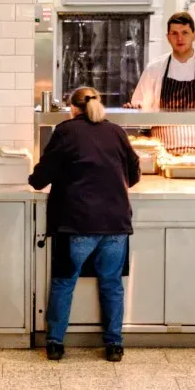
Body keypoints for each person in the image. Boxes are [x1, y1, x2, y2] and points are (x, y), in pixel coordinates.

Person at [30, 86, 141, 363]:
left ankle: (55, 344)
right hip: (115, 221)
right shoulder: (116, 131)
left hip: (77, 222)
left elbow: (42, 176)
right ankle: (114, 345)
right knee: (111, 283)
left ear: (73, 108)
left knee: (64, 281)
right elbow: (134, 173)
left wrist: (33, 179)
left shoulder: (65, 131)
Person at [126, 11, 195, 153]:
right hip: (161, 151)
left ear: (194, 35)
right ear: (168, 37)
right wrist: (134, 107)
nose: (180, 38)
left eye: (185, 33)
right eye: (174, 33)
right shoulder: (154, 68)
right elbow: (141, 107)